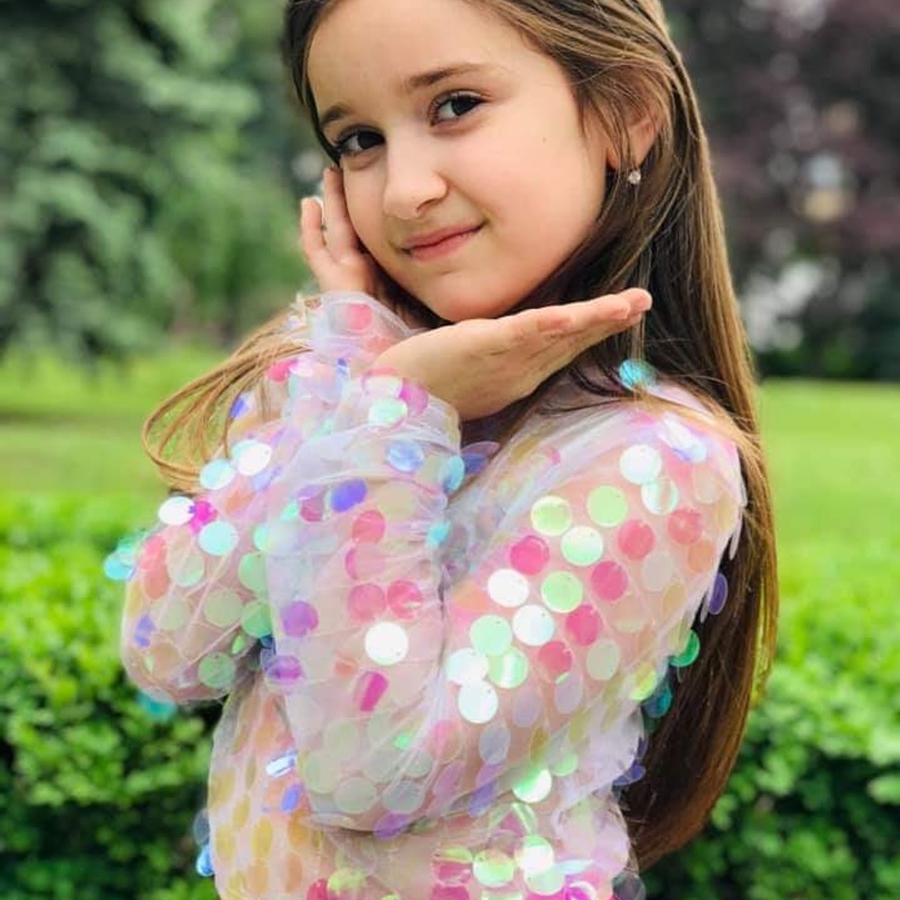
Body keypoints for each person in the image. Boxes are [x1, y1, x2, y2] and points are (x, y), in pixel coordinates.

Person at [107, 1, 779, 898]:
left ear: (624, 110)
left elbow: (374, 772)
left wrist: (395, 417)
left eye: (455, 105)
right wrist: (357, 369)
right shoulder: (343, 379)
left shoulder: (656, 461)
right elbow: (166, 647)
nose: (403, 191)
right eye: (359, 140)